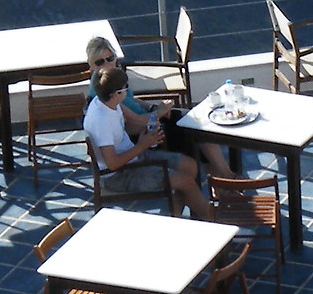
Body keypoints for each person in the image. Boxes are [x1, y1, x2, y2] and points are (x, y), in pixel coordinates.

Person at [86, 38, 231, 185]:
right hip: (142, 131)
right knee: (195, 129)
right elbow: (135, 121)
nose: (107, 64)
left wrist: (153, 107)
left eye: (110, 58)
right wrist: (160, 112)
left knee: (197, 121)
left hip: (150, 118)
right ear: (91, 66)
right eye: (100, 62)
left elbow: (132, 99)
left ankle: (222, 177)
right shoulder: (105, 91)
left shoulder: (113, 79)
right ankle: (223, 178)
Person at [85, 64, 217, 217]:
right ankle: (215, 222)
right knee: (185, 182)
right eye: (125, 88)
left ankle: (180, 218)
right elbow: (113, 164)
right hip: (119, 175)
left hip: (134, 157)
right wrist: (143, 145)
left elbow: (138, 120)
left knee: (190, 166)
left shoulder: (107, 101)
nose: (127, 91)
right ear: (116, 93)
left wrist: (158, 114)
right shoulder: (101, 121)